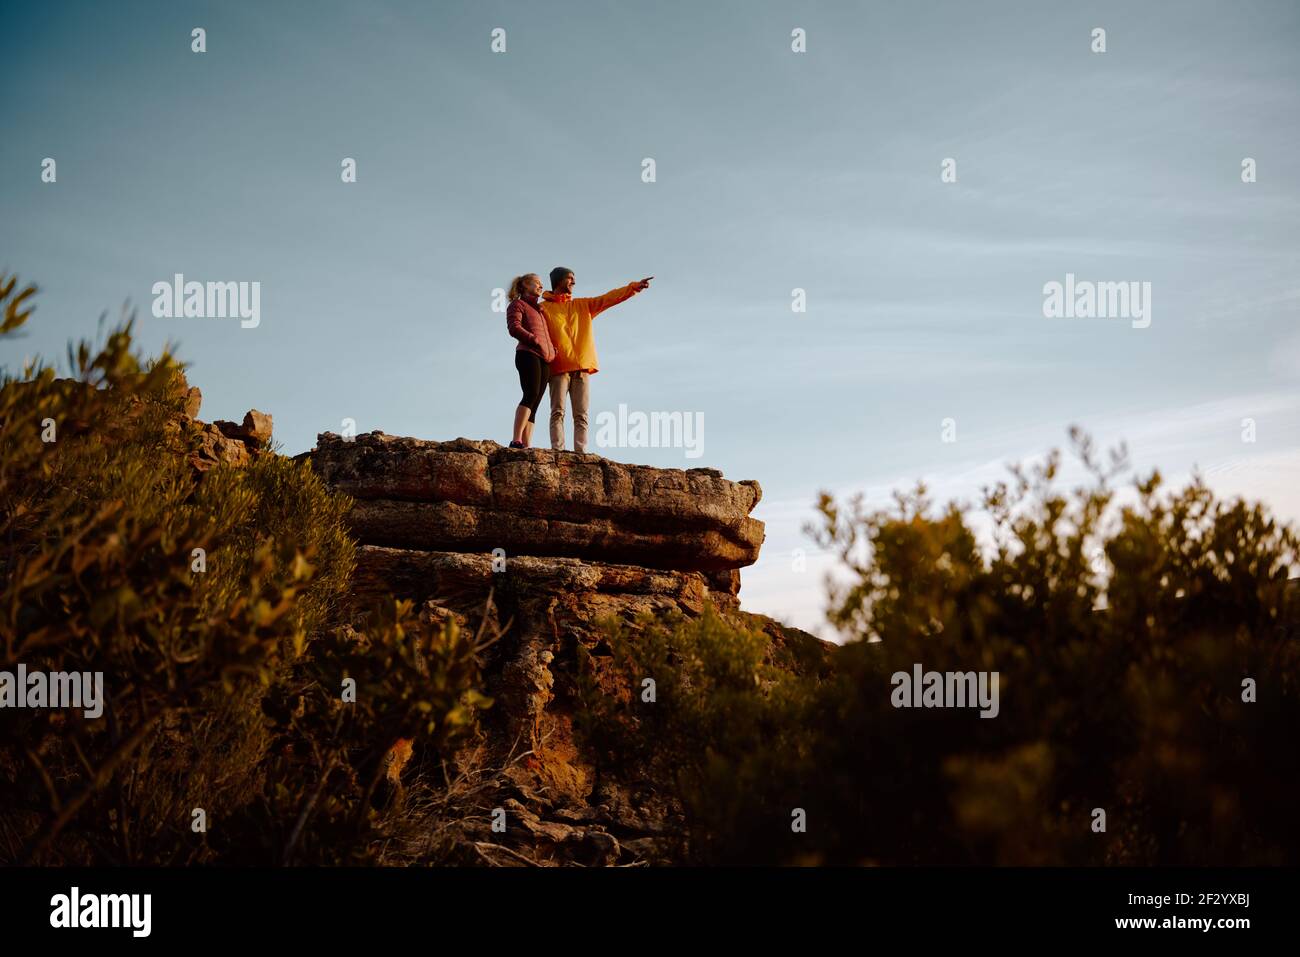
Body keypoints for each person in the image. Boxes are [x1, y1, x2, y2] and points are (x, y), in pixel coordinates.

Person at [540, 267, 652, 452]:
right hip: (558, 367)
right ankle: (557, 451)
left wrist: (633, 288)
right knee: (557, 412)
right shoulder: (543, 309)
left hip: (582, 365)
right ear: (559, 281)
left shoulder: (583, 305)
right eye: (570, 278)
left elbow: (608, 298)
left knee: (581, 414)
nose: (574, 282)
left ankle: (581, 454)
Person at [505, 273, 555, 448]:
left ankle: (526, 445)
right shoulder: (517, 304)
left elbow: (546, 335)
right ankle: (516, 439)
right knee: (530, 394)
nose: (541, 286)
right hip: (527, 354)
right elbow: (514, 327)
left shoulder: (540, 310)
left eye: (541, 283)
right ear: (525, 285)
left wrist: (552, 350)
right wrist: (533, 339)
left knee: (536, 401)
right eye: (537, 283)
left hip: (544, 358)